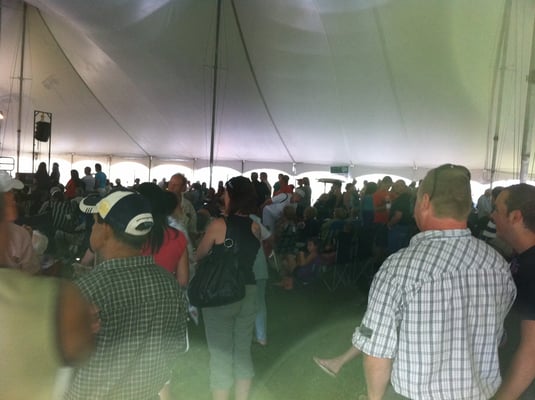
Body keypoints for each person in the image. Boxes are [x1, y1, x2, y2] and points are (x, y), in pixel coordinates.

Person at [317, 164, 516, 399]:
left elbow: (377, 352)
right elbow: (496, 335)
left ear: (425, 202)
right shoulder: (498, 265)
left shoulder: (399, 268)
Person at [64, 190, 186, 400]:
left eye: (95, 222)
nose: (92, 227)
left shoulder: (86, 291)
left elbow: (63, 360)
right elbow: (176, 345)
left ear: (106, 230)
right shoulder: (169, 284)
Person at [0, 175, 96, 400]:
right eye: (9, 200)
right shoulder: (60, 302)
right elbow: (81, 350)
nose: (13, 207)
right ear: (8, 211)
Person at [196, 176, 261, 400]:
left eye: (225, 192)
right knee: (242, 351)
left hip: (221, 291)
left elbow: (199, 254)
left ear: (232, 196)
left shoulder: (219, 225)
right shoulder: (255, 226)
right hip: (248, 290)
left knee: (220, 354)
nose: (222, 196)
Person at [493, 184, 535, 400]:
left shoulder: (532, 267)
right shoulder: (523, 256)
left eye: (497, 209)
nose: (492, 215)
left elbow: (531, 350)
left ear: (515, 216)